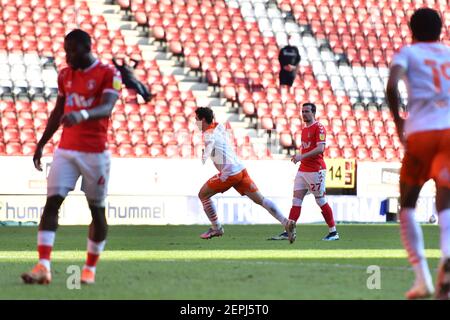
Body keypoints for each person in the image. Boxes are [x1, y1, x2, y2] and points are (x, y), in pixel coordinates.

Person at [21, 29, 121, 285]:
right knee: (52, 203)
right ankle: (43, 266)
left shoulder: (109, 73)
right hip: (66, 150)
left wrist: (83, 115)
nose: (67, 56)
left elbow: (107, 107)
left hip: (95, 153)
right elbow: (58, 111)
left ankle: (89, 269)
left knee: (96, 210)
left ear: (87, 48)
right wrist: (42, 143)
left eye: (72, 51)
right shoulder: (65, 74)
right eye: (65, 50)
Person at [386, 8, 450, 300]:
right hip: (448, 134)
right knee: (446, 205)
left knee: (407, 206)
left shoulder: (408, 54)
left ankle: (422, 279)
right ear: (442, 30)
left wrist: (399, 121)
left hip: (421, 133)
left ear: (410, 29)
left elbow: (392, 84)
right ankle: (447, 259)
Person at [195, 107, 296, 242]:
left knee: (203, 195)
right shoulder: (218, 127)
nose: (195, 122)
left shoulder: (208, 134)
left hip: (229, 173)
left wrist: (205, 154)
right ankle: (286, 222)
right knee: (260, 199)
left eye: (197, 119)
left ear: (202, 119)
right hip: (240, 170)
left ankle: (216, 228)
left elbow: (210, 144)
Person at [269, 103, 339, 241]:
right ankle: (288, 230)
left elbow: (320, 149)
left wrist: (302, 156)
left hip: (316, 170)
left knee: (320, 200)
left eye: (307, 111)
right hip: (303, 169)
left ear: (313, 113)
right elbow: (306, 149)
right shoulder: (304, 130)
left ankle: (333, 232)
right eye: (302, 111)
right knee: (296, 200)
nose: (304, 114)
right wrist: (299, 156)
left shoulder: (319, 128)